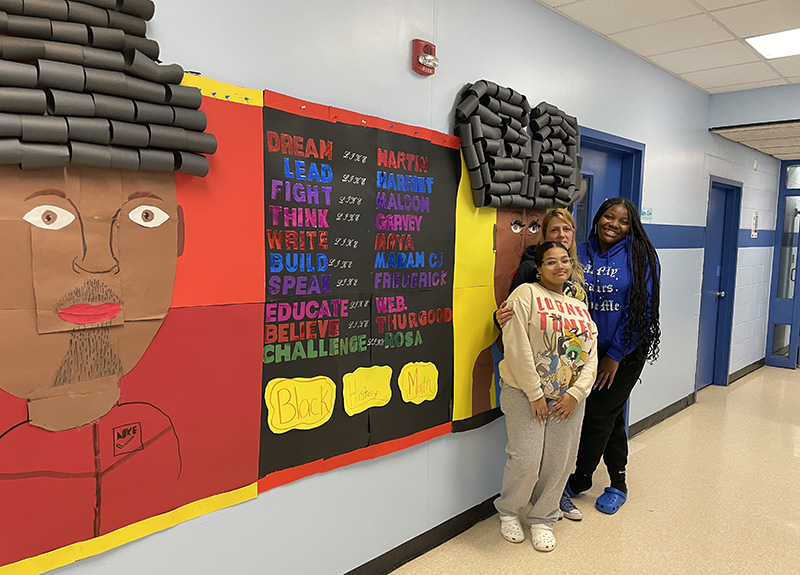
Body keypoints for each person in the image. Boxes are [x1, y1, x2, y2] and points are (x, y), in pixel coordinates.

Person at [494, 241, 597, 552]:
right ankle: (510, 510)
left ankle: (543, 518)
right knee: (526, 458)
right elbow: (515, 345)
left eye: (564, 260)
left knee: (559, 462)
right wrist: (535, 393)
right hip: (525, 393)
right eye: (550, 262)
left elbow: (590, 352)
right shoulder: (525, 294)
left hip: (567, 399)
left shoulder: (579, 306)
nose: (559, 267)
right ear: (537, 268)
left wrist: (577, 394)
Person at [564, 197, 661, 516]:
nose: (614, 224)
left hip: (625, 354)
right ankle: (618, 483)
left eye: (623, 221)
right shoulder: (579, 251)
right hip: (585, 353)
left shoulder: (640, 256)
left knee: (597, 416)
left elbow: (644, 311)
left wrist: (616, 354)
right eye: (609, 216)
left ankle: (579, 478)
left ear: (631, 227)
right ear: (597, 218)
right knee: (612, 415)